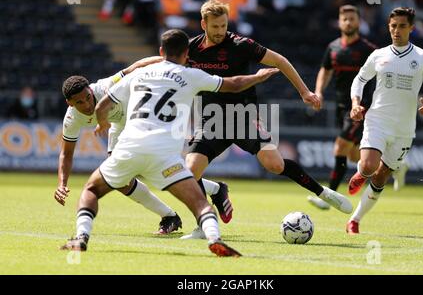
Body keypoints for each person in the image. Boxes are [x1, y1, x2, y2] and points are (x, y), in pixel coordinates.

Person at [60, 28, 279, 256]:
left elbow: (101, 105)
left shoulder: (140, 74)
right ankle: (215, 238)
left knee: (92, 189)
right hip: (165, 155)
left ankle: (81, 238)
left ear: (161, 51)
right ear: (186, 53)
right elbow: (233, 84)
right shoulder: (192, 74)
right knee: (199, 204)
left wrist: (102, 122)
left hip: (129, 148)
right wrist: (258, 77)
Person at [182, 0, 353, 239]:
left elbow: (280, 61)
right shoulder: (190, 48)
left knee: (275, 165)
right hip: (212, 120)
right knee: (190, 172)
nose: (221, 31)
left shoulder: (240, 44)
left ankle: (323, 192)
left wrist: (305, 92)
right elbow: (168, 66)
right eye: (215, 26)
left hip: (244, 116)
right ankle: (205, 220)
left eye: (224, 25)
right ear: (203, 25)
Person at [54, 57, 183, 235]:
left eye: (88, 98)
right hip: (118, 124)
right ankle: (170, 216)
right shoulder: (71, 119)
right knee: (119, 179)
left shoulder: (105, 87)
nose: (87, 104)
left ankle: (211, 190)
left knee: (148, 166)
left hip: (139, 116)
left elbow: (136, 66)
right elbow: (66, 154)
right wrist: (62, 184)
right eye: (79, 103)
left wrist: (168, 59)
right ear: (69, 103)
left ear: (91, 91)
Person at [346, 7, 423, 234]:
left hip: (404, 129)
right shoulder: (379, 55)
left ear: (411, 28)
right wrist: (355, 103)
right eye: (392, 26)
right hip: (377, 119)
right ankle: (361, 172)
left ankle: (355, 220)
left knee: (381, 177)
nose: (396, 31)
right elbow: (359, 81)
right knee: (369, 166)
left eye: (401, 26)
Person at [308, 5, 408, 210]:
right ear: (339, 21)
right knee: (354, 156)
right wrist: (318, 91)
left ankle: (329, 197)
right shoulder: (333, 47)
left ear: (359, 22)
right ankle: (396, 165)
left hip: (363, 108)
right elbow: (324, 71)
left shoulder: (368, 50)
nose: (348, 22)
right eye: (344, 19)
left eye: (352, 19)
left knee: (340, 147)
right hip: (341, 106)